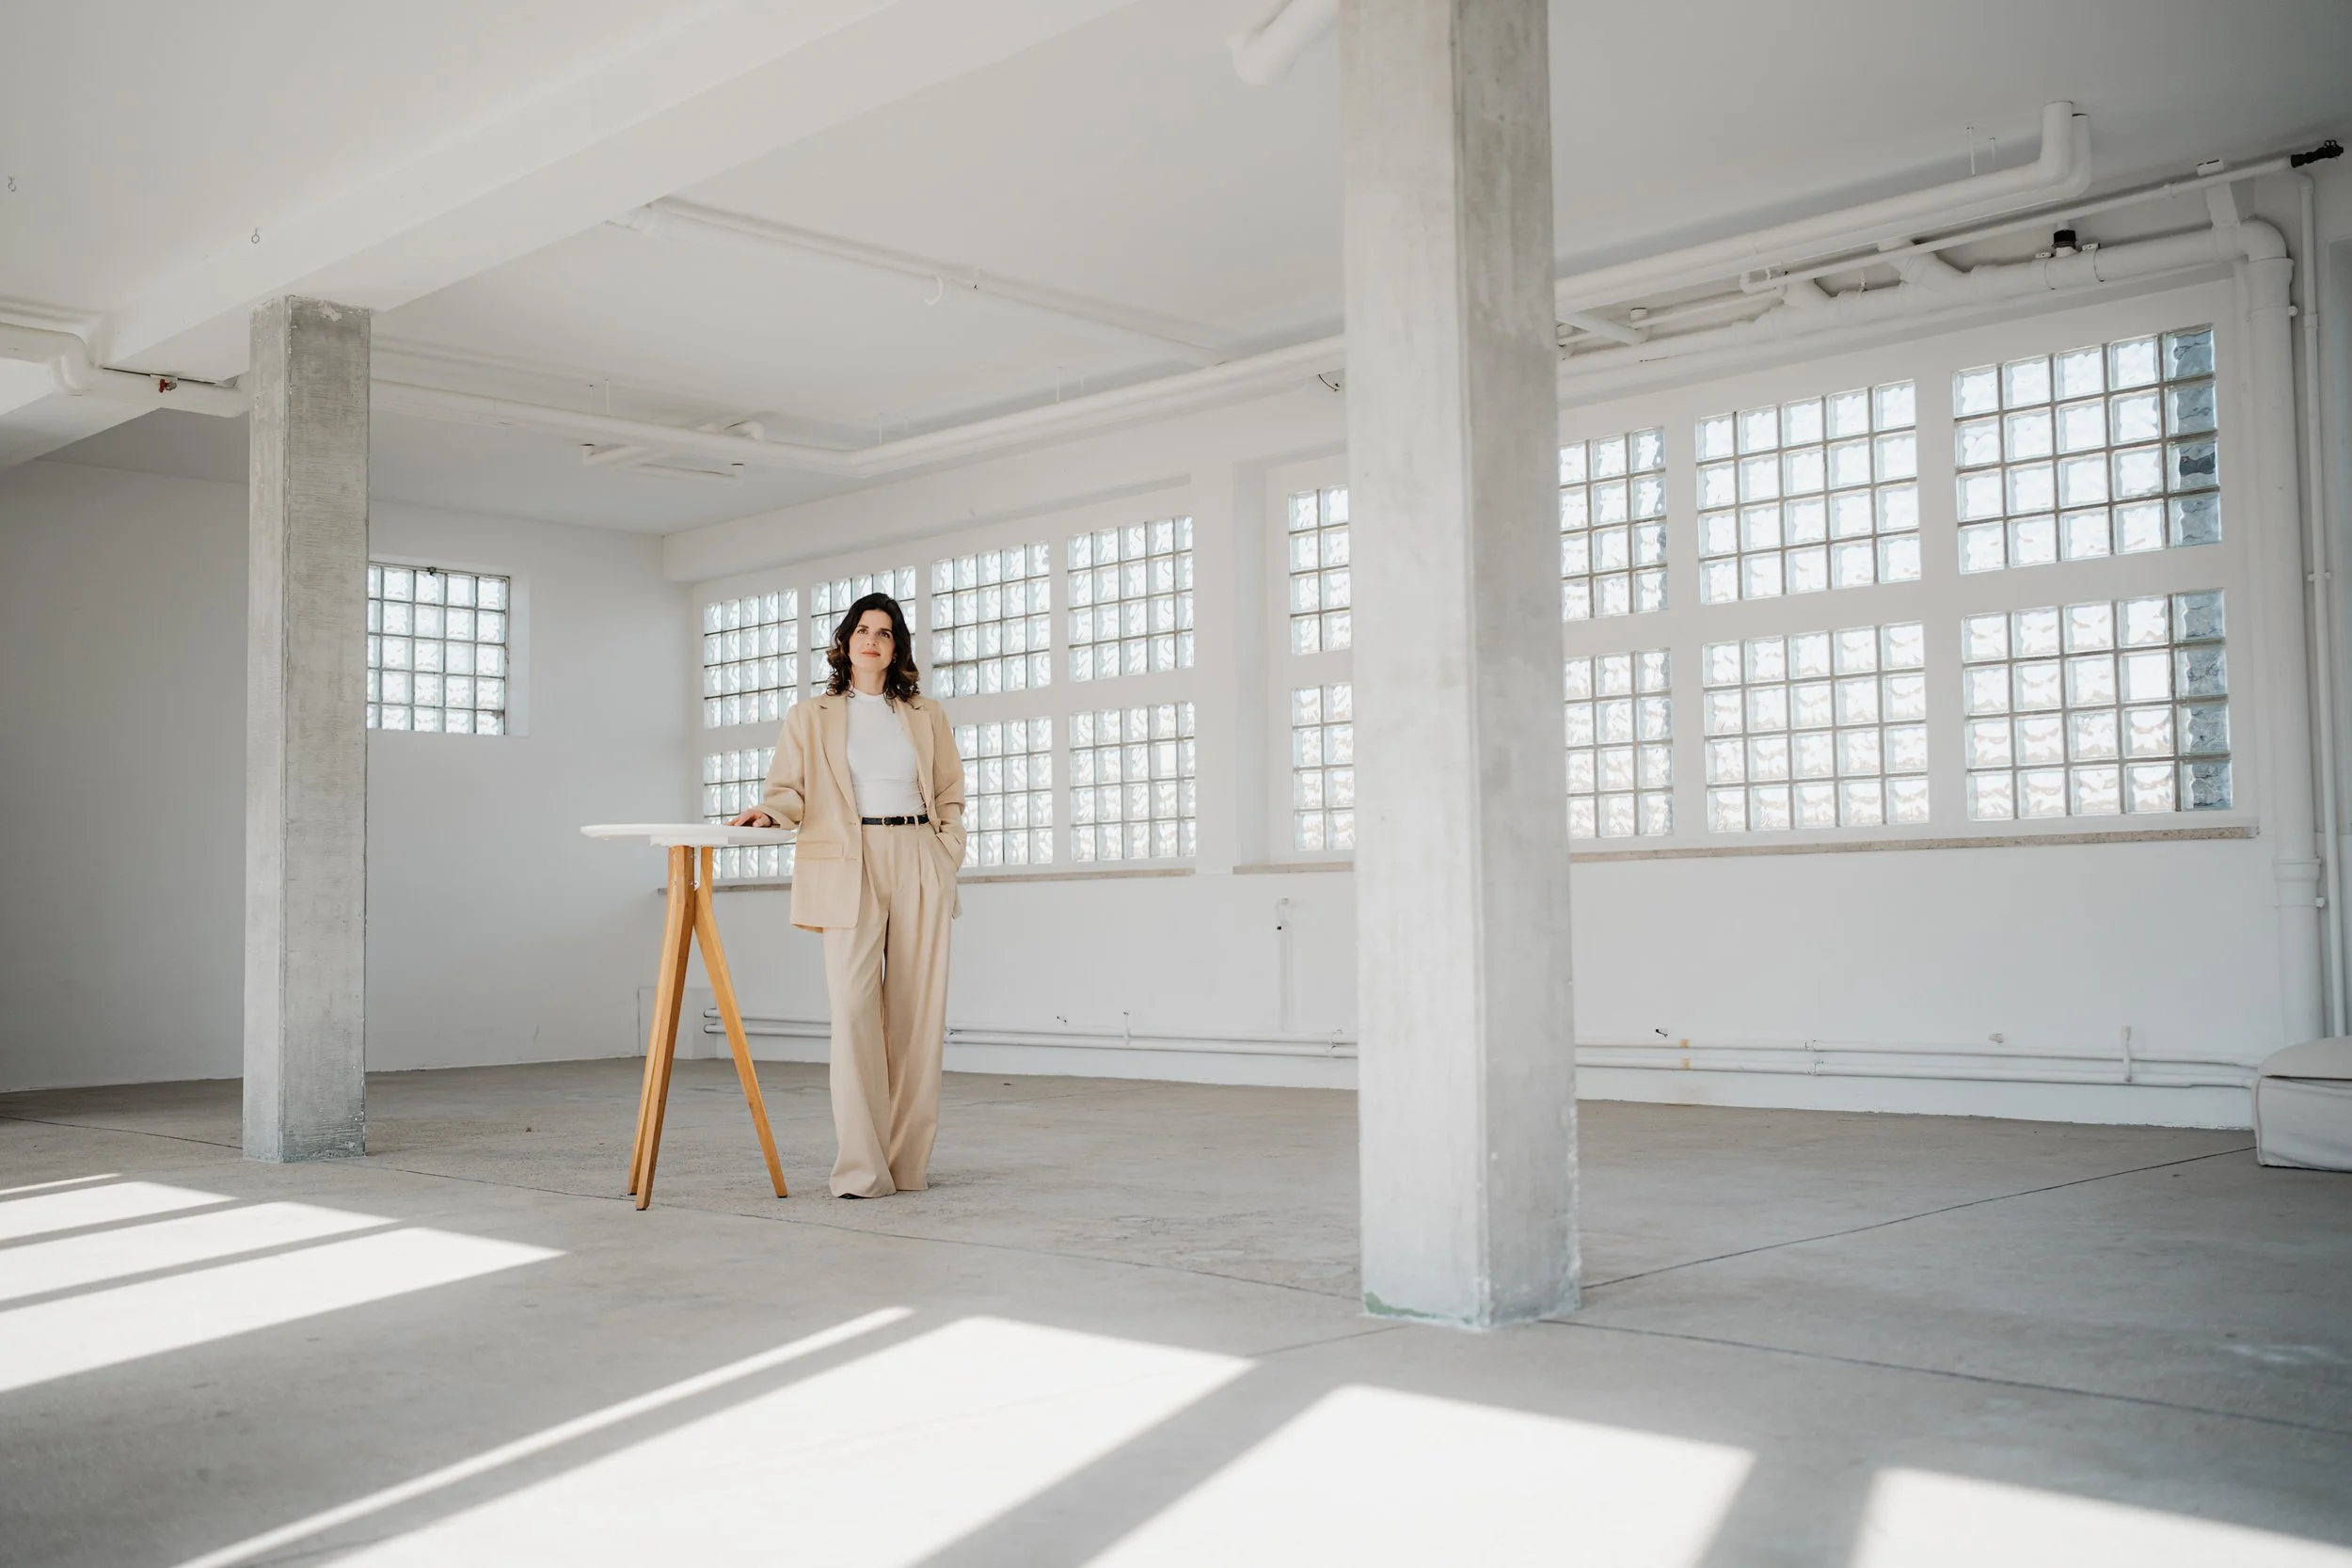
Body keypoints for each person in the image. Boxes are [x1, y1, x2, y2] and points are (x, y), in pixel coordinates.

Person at [730, 593, 963, 1197]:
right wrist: (768, 813)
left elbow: (949, 793)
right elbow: (789, 789)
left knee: (917, 1020)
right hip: (846, 863)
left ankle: (908, 1165)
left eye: (885, 633)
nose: (873, 641)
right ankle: (863, 1170)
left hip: (918, 856)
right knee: (855, 1015)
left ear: (897, 647)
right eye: (863, 629)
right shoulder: (813, 715)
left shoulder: (926, 715)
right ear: (845, 641)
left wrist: (947, 853)